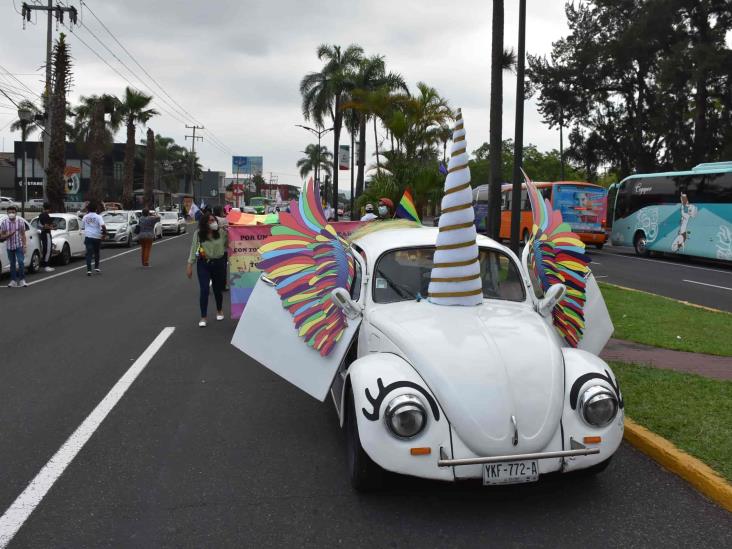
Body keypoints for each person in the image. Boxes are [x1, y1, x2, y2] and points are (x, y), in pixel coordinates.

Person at [186, 212, 228, 327]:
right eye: (210, 221)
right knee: (204, 290)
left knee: (217, 289)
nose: (213, 222)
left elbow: (230, 244)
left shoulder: (222, 233)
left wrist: (230, 232)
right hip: (203, 264)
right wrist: (189, 265)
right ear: (204, 223)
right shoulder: (198, 234)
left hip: (219, 263)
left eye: (214, 220)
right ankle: (203, 317)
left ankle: (219, 310)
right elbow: (193, 249)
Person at [0, 206, 28, 287]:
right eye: (9, 212)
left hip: (19, 245)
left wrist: (24, 245)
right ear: (7, 213)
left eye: (13, 212)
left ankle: (22, 280)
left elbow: (23, 234)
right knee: (12, 264)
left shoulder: (20, 222)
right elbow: (1, 236)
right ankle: (13, 281)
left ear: (16, 213)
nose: (11, 214)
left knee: (20, 262)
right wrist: (9, 234)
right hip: (9, 246)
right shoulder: (4, 223)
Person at [81, 200, 106, 276]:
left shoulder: (85, 217)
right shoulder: (98, 217)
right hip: (97, 236)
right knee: (96, 252)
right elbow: (103, 226)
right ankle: (96, 267)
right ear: (96, 209)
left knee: (89, 253)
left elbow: (83, 227)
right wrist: (104, 234)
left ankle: (89, 270)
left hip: (88, 236)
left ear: (88, 209)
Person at [38, 202, 55, 272]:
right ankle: (46, 265)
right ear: (49, 208)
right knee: (48, 249)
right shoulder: (46, 215)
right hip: (46, 233)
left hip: (43, 233)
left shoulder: (41, 215)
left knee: (45, 249)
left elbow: (40, 225)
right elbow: (45, 226)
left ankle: (44, 264)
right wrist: (52, 228)